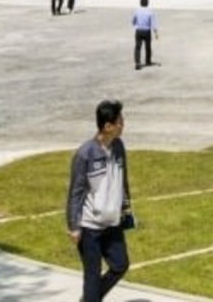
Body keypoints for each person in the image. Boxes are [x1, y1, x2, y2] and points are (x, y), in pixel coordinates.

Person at [65, 98, 134, 301]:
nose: (123, 125)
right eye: (120, 121)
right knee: (92, 276)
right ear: (107, 126)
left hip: (112, 223)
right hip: (90, 227)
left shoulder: (119, 147)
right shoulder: (85, 154)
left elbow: (123, 180)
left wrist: (127, 211)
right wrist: (74, 227)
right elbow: (75, 193)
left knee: (120, 264)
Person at [131, 0, 156, 70]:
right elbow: (153, 24)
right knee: (148, 47)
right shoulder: (150, 12)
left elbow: (133, 21)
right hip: (147, 31)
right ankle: (148, 61)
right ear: (148, 3)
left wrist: (136, 24)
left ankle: (137, 63)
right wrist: (156, 33)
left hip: (138, 31)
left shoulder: (136, 11)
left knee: (137, 47)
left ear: (140, 3)